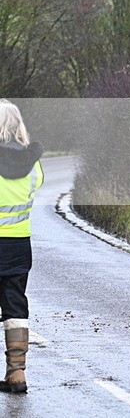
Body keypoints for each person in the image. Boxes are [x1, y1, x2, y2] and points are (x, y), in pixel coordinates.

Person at [0, 100, 43, 393]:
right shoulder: (32, 164)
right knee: (15, 305)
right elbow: (37, 185)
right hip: (18, 245)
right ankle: (17, 375)